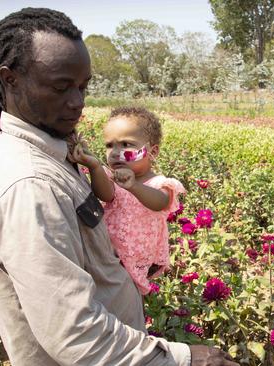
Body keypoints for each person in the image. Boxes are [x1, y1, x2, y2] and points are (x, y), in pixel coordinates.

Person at [0, 8, 237, 366]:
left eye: (83, 87)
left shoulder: (52, 155)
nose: (78, 103)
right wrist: (183, 359)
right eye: (61, 86)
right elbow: (75, 333)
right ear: (10, 79)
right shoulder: (29, 185)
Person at [67, 107, 186, 295]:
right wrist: (95, 165)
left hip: (142, 259)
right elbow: (104, 194)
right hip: (111, 257)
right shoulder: (113, 178)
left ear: (152, 151)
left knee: (130, 300)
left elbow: (160, 203)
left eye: (126, 144)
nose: (115, 152)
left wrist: (133, 186)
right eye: (109, 145)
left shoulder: (159, 183)